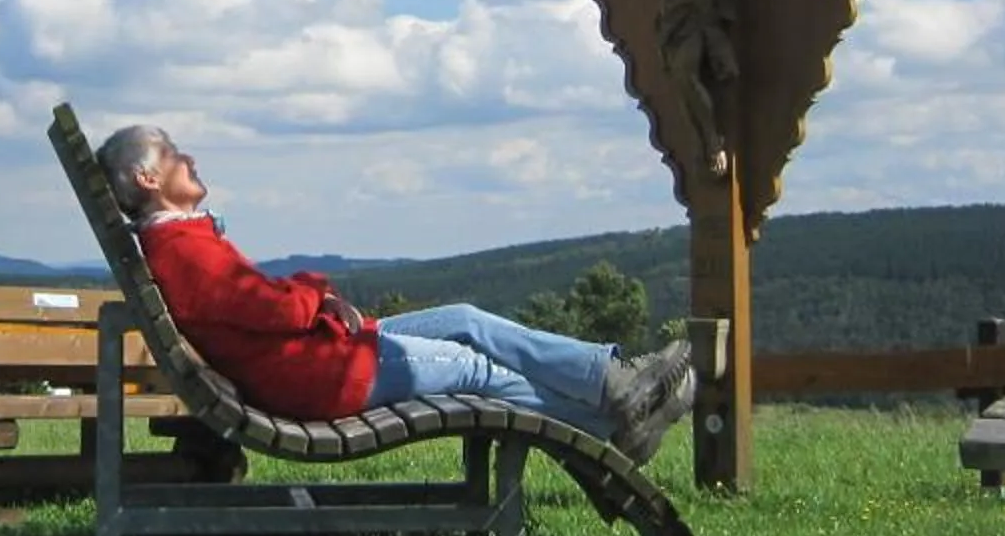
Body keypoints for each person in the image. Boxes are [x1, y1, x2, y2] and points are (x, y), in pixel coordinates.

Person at [96, 123, 697, 463]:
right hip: (323, 374)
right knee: (474, 367)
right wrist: (316, 288)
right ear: (149, 180)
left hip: (327, 352)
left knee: (465, 319)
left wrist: (316, 303)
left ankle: (616, 386)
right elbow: (274, 308)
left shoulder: (184, 240)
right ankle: (609, 432)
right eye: (173, 154)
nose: (190, 157)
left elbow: (259, 304)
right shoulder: (183, 250)